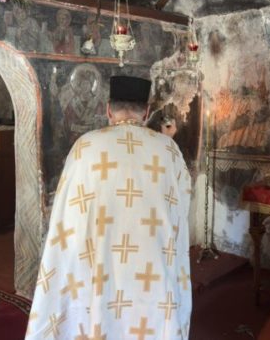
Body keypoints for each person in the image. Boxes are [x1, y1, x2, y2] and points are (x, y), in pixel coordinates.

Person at [26, 76, 193, 339]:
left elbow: (66, 214)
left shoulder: (86, 146)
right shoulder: (168, 149)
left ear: (108, 110)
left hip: (99, 260)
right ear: (146, 112)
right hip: (152, 262)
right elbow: (182, 204)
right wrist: (165, 143)